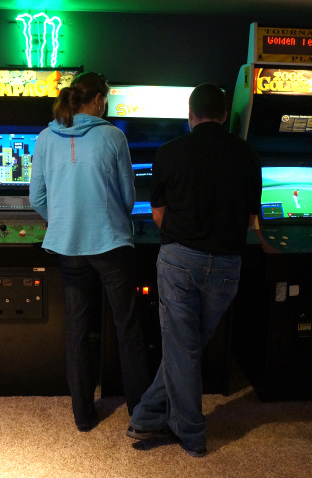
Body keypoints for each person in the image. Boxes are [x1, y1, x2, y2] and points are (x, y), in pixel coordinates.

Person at [126, 83, 265, 457]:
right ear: (224, 115)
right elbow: (251, 218)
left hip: (179, 260)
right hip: (227, 265)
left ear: (190, 115)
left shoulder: (169, 151)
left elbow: (157, 215)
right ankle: (146, 416)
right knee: (185, 348)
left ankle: (190, 433)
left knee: (182, 348)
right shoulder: (247, 153)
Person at [29, 71, 151, 432]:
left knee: (77, 328)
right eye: (106, 99)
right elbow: (128, 196)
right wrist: (112, 217)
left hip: (68, 246)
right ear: (97, 99)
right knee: (127, 326)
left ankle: (83, 416)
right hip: (110, 243)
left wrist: (63, 220)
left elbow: (36, 198)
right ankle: (140, 415)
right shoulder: (113, 136)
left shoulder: (45, 137)